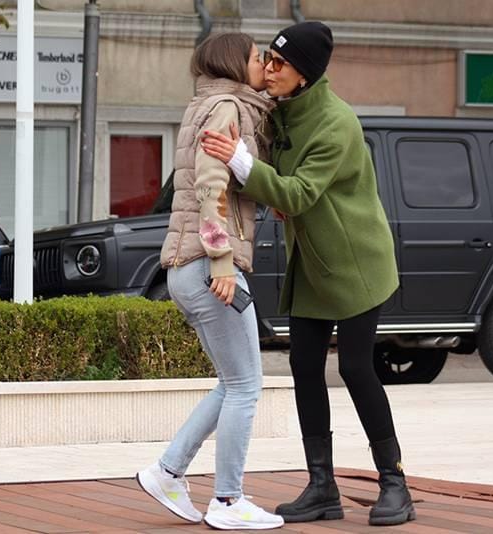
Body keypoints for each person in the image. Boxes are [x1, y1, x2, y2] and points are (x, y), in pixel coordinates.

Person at [201, 21, 416, 526]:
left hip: (356, 262)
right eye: (268, 58)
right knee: (303, 366)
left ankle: (395, 483)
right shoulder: (282, 112)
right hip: (313, 261)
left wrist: (241, 162)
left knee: (356, 367)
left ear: (306, 73)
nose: (269, 69)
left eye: (280, 63)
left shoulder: (337, 123)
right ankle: (322, 487)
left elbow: (297, 193)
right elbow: (280, 184)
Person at [135, 33, 284, 531]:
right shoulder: (227, 108)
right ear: (235, 64)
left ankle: (167, 472)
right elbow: (210, 187)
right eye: (258, 57)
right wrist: (222, 260)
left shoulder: (210, 104)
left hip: (187, 268)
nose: (265, 63)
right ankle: (227, 500)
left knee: (232, 383)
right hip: (209, 266)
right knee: (246, 387)